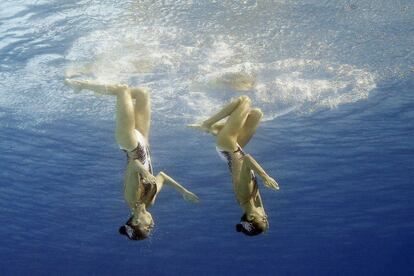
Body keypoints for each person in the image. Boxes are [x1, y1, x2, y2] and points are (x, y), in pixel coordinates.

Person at [65, 79, 199, 240]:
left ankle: (81, 85)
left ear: (135, 221)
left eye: (147, 228)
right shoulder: (149, 202)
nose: (152, 226)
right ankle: (110, 92)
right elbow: (162, 176)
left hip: (130, 144)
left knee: (122, 90)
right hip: (144, 144)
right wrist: (183, 191)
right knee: (142, 93)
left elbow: (134, 165)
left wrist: (145, 173)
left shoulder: (131, 198)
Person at [188, 96, 279, 236]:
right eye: (266, 219)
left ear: (251, 217)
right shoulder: (251, 202)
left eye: (264, 219)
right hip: (237, 149)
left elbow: (248, 160)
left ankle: (207, 124)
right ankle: (218, 129)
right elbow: (259, 208)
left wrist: (265, 176)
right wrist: (263, 224)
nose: (266, 217)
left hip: (227, 146)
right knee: (256, 114)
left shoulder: (244, 194)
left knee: (244, 101)